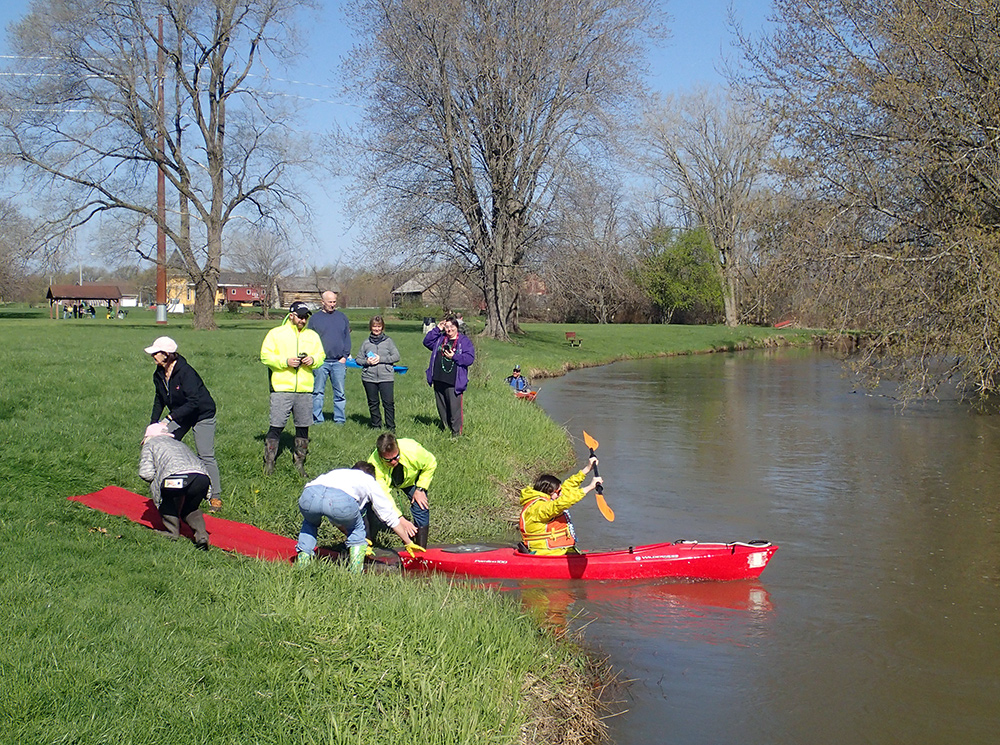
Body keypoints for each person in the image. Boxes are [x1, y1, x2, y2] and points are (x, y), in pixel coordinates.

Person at [294, 461, 424, 571]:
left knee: (310, 524)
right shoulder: (368, 480)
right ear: (372, 476)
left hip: (309, 494)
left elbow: (330, 511)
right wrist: (408, 542)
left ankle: (302, 564)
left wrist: (348, 533)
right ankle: (355, 573)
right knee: (357, 528)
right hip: (339, 501)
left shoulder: (339, 472)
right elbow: (387, 513)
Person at [145, 335, 223, 512]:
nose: (152, 356)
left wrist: (169, 418)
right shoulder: (158, 374)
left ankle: (215, 496)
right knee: (163, 443)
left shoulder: (186, 372)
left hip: (202, 414)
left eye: (155, 353)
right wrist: (153, 425)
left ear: (166, 354)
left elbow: (194, 402)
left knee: (205, 455)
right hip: (180, 415)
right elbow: (159, 399)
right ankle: (171, 489)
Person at [260, 301, 326, 476]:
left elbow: (321, 355)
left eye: (306, 317)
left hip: (304, 389)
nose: (303, 321)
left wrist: (313, 360)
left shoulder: (312, 336)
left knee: (303, 427)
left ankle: (299, 462)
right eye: (300, 317)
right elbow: (265, 356)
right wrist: (285, 362)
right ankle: (269, 462)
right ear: (291, 316)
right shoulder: (276, 334)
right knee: (276, 425)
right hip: (282, 388)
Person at [138, 422, 211, 551]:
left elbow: (146, 473)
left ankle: (172, 532)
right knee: (191, 509)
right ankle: (202, 537)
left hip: (176, 478)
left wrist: (157, 479)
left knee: (167, 501)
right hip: (201, 478)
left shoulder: (151, 444)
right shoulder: (179, 443)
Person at [518, 456, 603, 555]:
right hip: (546, 553)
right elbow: (559, 504)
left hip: (558, 550)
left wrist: (587, 468)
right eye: (558, 492)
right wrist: (589, 487)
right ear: (549, 492)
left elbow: (567, 487)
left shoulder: (548, 498)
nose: (561, 494)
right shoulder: (538, 508)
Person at [367, 432, 436, 548]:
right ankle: (369, 540)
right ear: (380, 456)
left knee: (421, 503)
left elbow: (431, 463)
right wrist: (400, 518)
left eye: (396, 457)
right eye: (388, 460)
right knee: (371, 503)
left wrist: (420, 488)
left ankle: (420, 547)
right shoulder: (374, 464)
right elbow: (383, 496)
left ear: (398, 448)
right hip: (389, 481)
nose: (394, 462)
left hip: (411, 480)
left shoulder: (413, 451)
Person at [423, 316, 475, 435]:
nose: (449, 329)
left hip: (454, 380)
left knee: (454, 408)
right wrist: (437, 328)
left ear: (457, 327)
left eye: (452, 326)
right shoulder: (440, 339)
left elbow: (469, 359)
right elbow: (426, 342)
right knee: (442, 407)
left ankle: (456, 433)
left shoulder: (464, 341)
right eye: (447, 327)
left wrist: (454, 357)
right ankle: (446, 429)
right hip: (438, 378)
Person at [308, 290, 351, 425]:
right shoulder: (315, 319)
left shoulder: (342, 317)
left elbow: (347, 338)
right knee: (318, 392)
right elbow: (310, 340)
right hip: (321, 362)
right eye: (330, 302)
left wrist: (345, 356)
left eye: (334, 302)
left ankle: (339, 419)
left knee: (340, 393)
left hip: (339, 361)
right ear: (322, 302)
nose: (332, 305)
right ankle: (317, 419)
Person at [356, 315, 400, 430]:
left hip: (386, 377)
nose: (377, 329)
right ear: (370, 327)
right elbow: (358, 359)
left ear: (382, 327)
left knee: (388, 403)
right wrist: (367, 362)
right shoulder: (366, 343)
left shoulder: (388, 342)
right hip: (369, 377)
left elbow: (396, 356)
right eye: (374, 326)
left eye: (379, 326)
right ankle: (376, 425)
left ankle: (391, 426)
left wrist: (381, 359)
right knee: (373, 403)